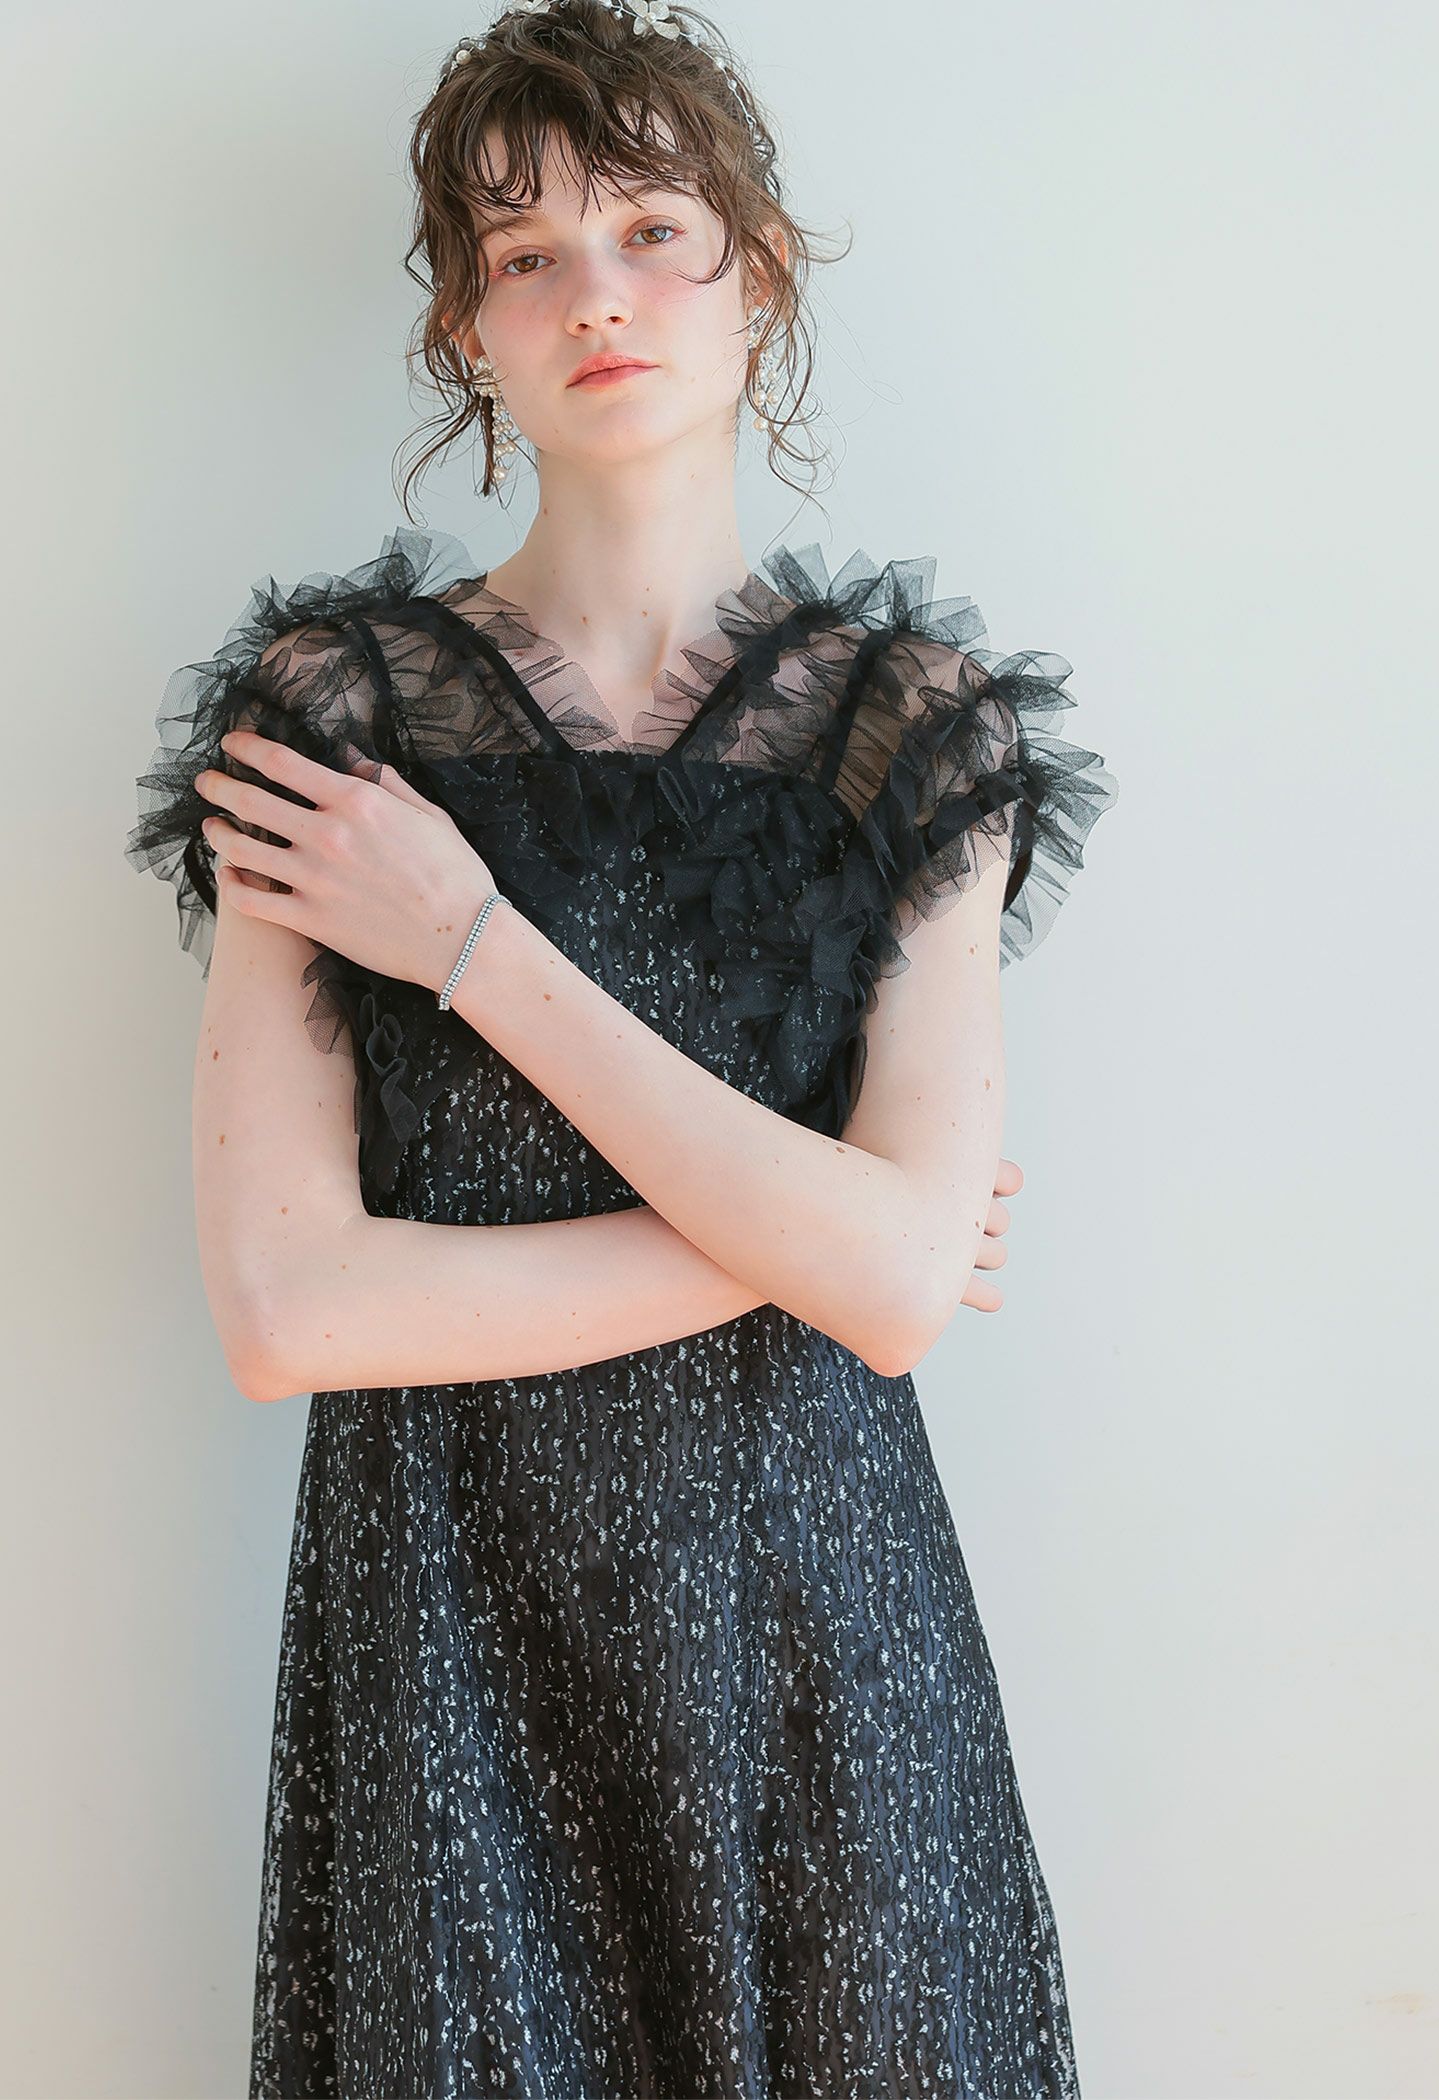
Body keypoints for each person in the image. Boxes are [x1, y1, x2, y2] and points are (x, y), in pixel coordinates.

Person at [125, 2, 1118, 2093]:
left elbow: (898, 1287)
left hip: (818, 1647)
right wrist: (817, 1237)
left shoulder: (911, 731)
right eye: (526, 254)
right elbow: (289, 1309)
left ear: (759, 277)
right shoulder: (335, 723)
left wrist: (472, 947)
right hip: (455, 1649)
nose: (597, 293)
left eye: (655, 229)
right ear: (464, 332)